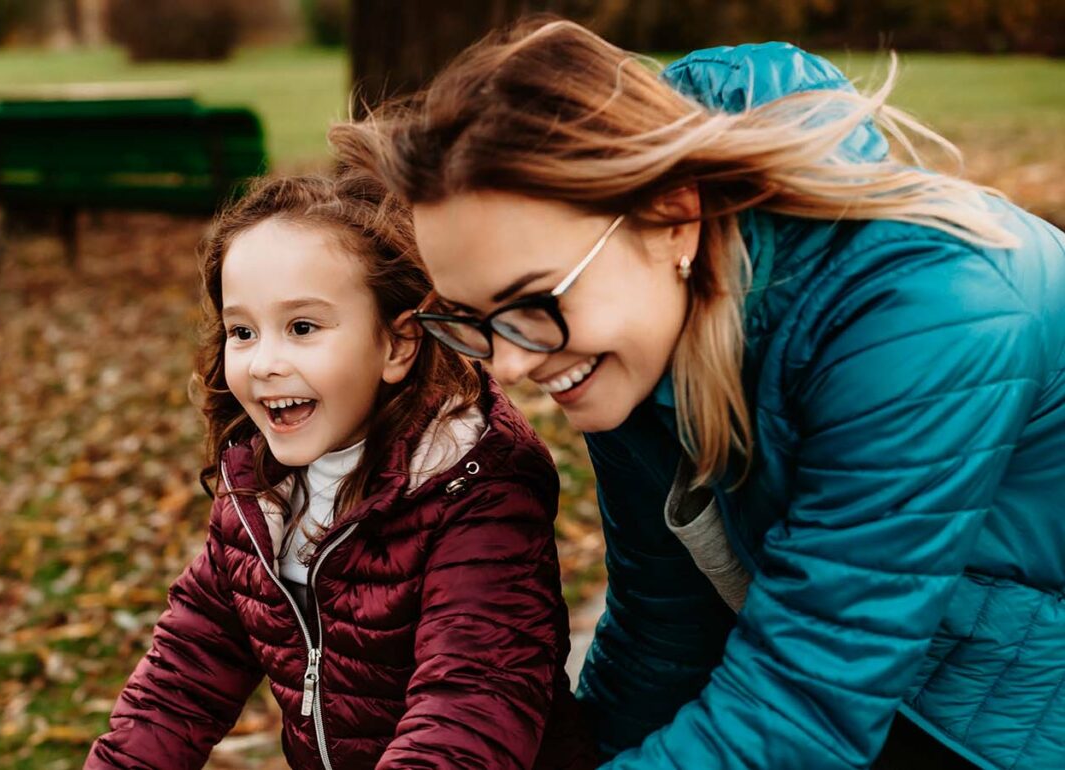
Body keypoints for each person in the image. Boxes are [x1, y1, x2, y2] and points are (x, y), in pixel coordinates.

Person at [331, 19, 1065, 770]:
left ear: (675, 219)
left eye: (531, 303)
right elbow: (665, 625)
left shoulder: (922, 314)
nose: (512, 365)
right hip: (898, 672)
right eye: (475, 320)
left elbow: (802, 707)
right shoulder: (627, 336)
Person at [85, 171, 590, 769]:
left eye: (302, 327)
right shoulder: (261, 492)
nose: (266, 362)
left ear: (397, 345)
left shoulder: (474, 490)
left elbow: (471, 701)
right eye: (242, 331)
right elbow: (184, 675)